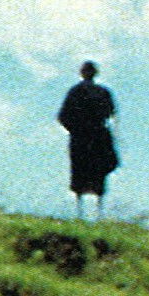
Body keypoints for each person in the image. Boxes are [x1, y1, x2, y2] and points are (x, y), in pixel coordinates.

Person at [57, 60, 118, 219]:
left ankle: (88, 213)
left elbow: (63, 116)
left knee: (85, 171)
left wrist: (76, 129)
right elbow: (111, 113)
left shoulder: (78, 91)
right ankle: (89, 213)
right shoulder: (98, 92)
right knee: (90, 172)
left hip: (86, 137)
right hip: (92, 136)